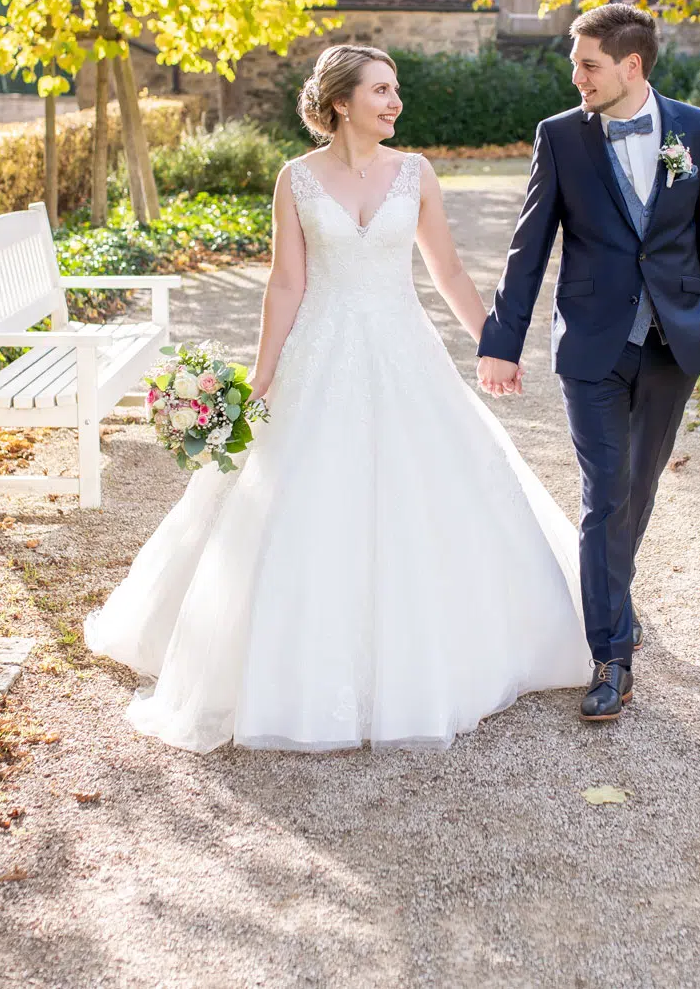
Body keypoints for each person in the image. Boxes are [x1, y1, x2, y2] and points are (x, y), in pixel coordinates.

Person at [84, 44, 591, 751]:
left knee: (427, 495)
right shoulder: (296, 179)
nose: (395, 101)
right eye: (381, 90)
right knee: (295, 498)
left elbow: (445, 267)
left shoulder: (415, 173)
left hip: (402, 351)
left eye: (396, 89)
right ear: (340, 102)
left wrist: (492, 340)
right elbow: (286, 283)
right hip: (320, 353)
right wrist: (261, 377)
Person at [476, 3, 700, 722]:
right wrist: (503, 337)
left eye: (588, 65)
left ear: (631, 66)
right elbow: (530, 247)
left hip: (673, 340)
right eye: (574, 65)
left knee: (638, 488)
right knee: (604, 494)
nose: (576, 77)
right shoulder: (560, 138)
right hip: (591, 341)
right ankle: (611, 655)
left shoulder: (697, 129)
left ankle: (613, 598)